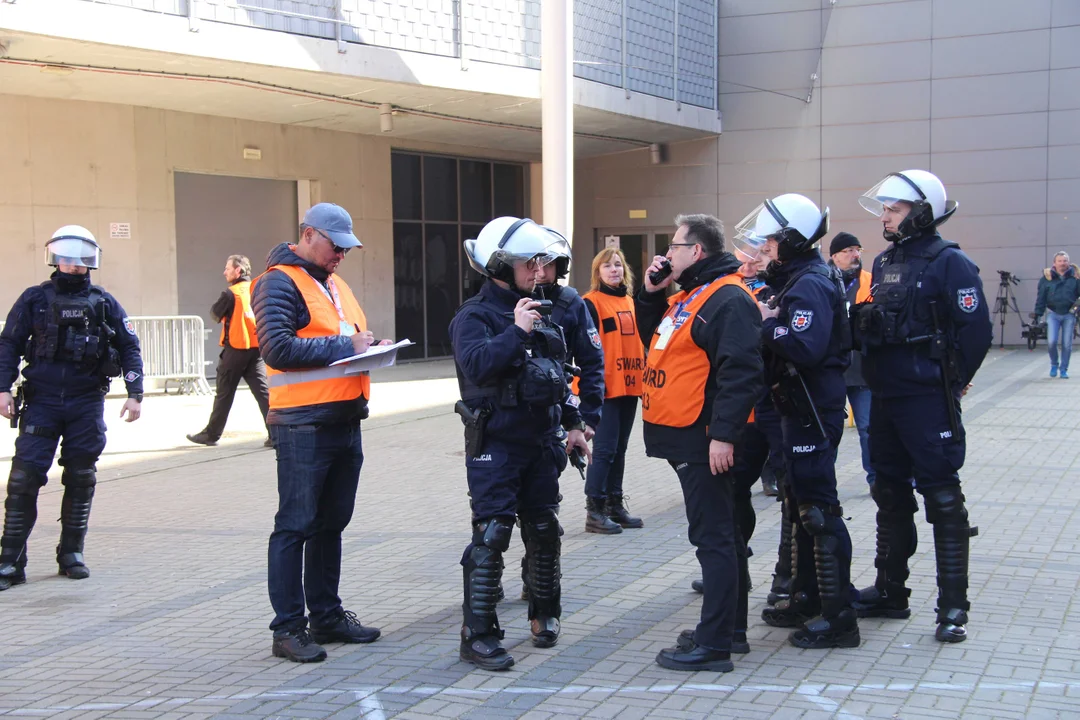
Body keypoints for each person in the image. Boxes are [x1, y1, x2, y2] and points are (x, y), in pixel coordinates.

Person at [851, 170, 992, 643]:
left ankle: (953, 607)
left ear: (922, 212)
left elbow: (976, 330)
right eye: (886, 209)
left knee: (942, 498)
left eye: (894, 209)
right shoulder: (886, 259)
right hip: (887, 396)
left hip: (927, 400)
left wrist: (953, 382)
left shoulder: (950, 262)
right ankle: (891, 592)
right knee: (889, 494)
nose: (886, 217)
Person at [450, 216, 591, 672]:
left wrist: (573, 422)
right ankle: (479, 634)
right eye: (529, 264)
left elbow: (559, 376)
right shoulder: (475, 317)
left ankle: (544, 613)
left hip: (540, 441)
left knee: (545, 530)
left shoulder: (542, 310)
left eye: (542, 263)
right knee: (492, 535)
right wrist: (516, 331)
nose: (540, 271)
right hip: (497, 443)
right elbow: (477, 366)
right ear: (499, 266)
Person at [252, 203, 390, 663]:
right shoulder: (277, 281)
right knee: (295, 525)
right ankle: (288, 628)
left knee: (331, 525)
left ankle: (326, 616)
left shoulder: (332, 283)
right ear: (309, 235)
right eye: (336, 246)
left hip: (343, 420)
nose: (342, 256)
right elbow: (277, 348)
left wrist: (370, 347)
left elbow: (346, 336)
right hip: (303, 426)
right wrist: (345, 345)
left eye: (347, 248)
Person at [637, 214, 763, 672]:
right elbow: (658, 339)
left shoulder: (727, 298)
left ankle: (715, 645)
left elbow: (741, 372)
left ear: (699, 251)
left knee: (714, 539)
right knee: (722, 536)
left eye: (675, 246)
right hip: (688, 435)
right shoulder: (696, 294)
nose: (668, 254)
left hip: (704, 438)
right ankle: (729, 630)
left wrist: (723, 436)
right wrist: (652, 293)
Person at [740, 194, 861, 650]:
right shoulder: (798, 276)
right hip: (797, 405)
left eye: (771, 239)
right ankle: (808, 598)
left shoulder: (810, 282)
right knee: (799, 503)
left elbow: (805, 345)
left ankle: (839, 617)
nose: (764, 247)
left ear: (790, 238)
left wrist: (768, 323)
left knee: (818, 508)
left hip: (812, 406)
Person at [0, 225, 143, 590]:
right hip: (41, 401)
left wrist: (135, 392)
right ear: (55, 258)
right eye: (67, 258)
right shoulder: (34, 298)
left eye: (81, 260)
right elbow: (9, 344)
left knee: (81, 476)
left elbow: (129, 345)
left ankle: (71, 554)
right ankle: (10, 561)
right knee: (23, 478)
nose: (74, 265)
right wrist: (2, 389)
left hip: (85, 401)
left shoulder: (103, 302)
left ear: (91, 262)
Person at [579, 248, 645, 533]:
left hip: (630, 386)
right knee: (603, 451)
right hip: (603, 389)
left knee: (619, 450)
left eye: (618, 265)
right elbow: (582, 350)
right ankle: (594, 510)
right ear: (598, 273)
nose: (614, 270)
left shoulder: (632, 302)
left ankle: (614, 505)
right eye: (607, 266)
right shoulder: (590, 303)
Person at [186, 255, 272, 447]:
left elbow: (215, 314)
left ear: (238, 271)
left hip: (235, 349)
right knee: (263, 392)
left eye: (227, 268)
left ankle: (211, 434)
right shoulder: (257, 290)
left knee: (224, 394)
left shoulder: (231, 293)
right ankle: (276, 434)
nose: (224, 272)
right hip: (256, 349)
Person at [828, 232, 875, 487]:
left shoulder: (870, 281)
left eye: (858, 249)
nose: (855, 255)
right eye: (848, 250)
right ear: (834, 256)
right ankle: (825, 480)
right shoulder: (821, 279)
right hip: (831, 370)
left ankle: (876, 479)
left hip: (861, 368)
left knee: (868, 428)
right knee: (830, 429)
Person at [1034, 251, 1080, 379]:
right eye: (1059, 261)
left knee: (1067, 344)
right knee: (1052, 341)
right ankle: (1054, 364)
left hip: (1069, 315)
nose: (1062, 263)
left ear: (1068, 263)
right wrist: (1038, 313)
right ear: (1054, 263)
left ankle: (1064, 369)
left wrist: (1076, 309)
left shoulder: (1076, 278)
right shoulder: (1046, 279)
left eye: (1065, 261)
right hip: (1053, 314)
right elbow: (1041, 298)